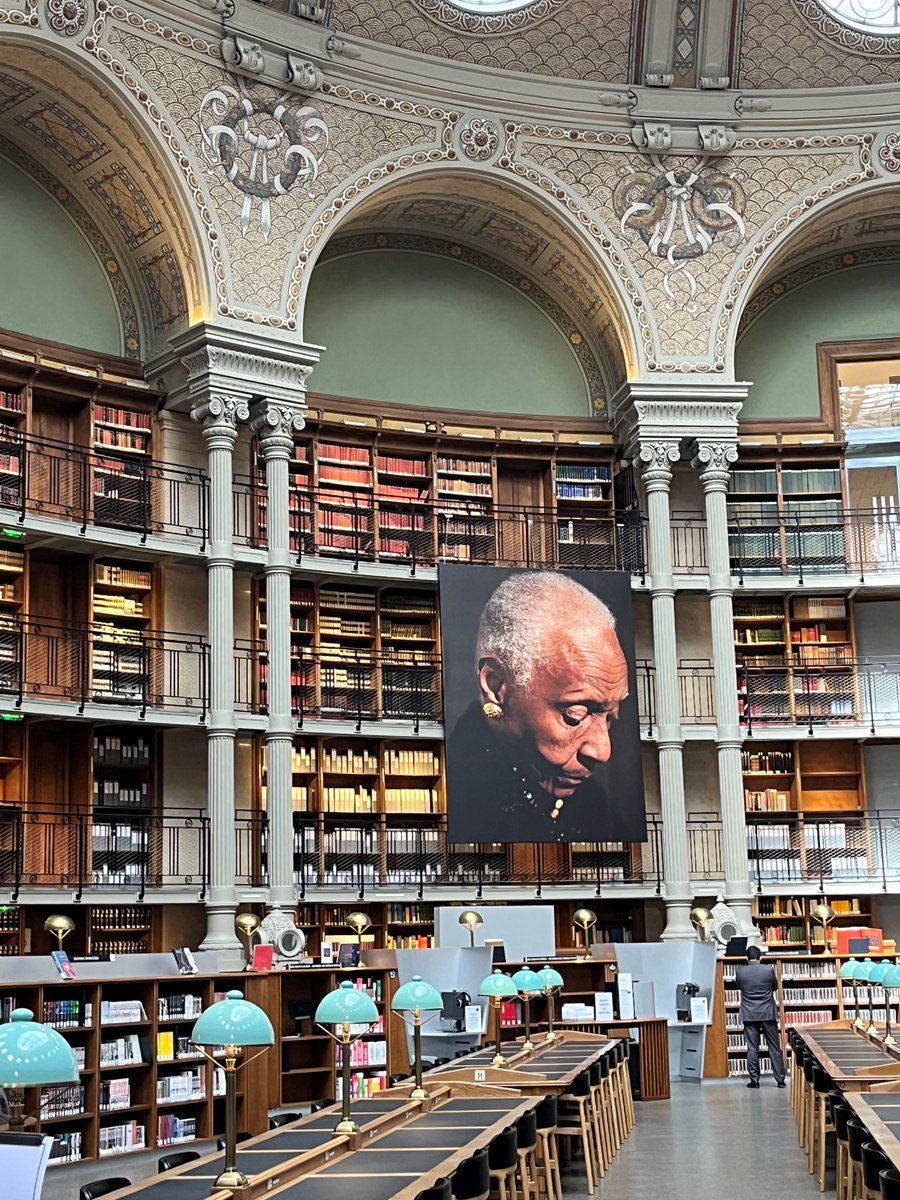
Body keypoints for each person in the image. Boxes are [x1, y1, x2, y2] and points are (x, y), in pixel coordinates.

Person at [444, 570, 643, 843]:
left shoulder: (595, 806)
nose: (602, 751)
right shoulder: (459, 798)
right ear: (495, 684)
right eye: (575, 715)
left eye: (610, 717)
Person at [735, 945, 787, 1089]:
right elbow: (775, 987)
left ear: (747, 957)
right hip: (767, 1013)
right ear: (760, 956)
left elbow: (739, 987)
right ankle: (780, 1080)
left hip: (749, 1013)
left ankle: (755, 1080)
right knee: (774, 1047)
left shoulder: (740, 972)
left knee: (752, 1048)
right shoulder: (768, 970)